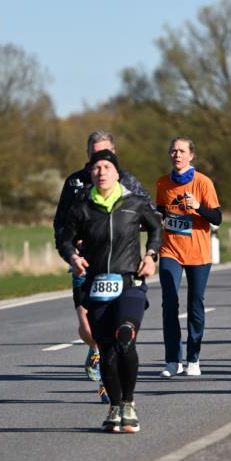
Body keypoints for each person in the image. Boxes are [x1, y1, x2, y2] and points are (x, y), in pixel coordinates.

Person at [58, 148, 162, 432]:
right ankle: (114, 407)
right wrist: (73, 257)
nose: (101, 171)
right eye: (96, 168)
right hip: (97, 285)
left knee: (125, 335)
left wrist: (151, 256)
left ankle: (129, 403)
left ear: (117, 173)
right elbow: (64, 238)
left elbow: (156, 229)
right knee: (106, 350)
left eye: (107, 167)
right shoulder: (81, 206)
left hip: (130, 281)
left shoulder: (134, 203)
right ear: (90, 173)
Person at [156, 137, 222, 377]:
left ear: (191, 155)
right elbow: (161, 212)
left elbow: (217, 218)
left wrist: (198, 208)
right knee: (169, 302)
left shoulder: (203, 182)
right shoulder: (163, 183)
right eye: (173, 151)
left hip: (198, 252)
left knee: (195, 304)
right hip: (170, 250)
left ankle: (193, 358)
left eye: (182, 151)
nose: (177, 155)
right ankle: (173, 360)